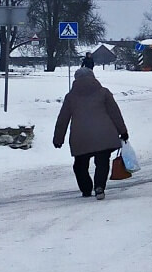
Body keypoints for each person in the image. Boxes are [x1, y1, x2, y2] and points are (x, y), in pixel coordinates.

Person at [52, 65, 129, 200]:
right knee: (102, 162)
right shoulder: (104, 92)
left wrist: (58, 138)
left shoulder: (71, 97)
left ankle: (86, 188)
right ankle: (99, 187)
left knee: (80, 165)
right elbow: (115, 113)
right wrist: (123, 131)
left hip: (81, 137)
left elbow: (63, 118)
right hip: (103, 135)